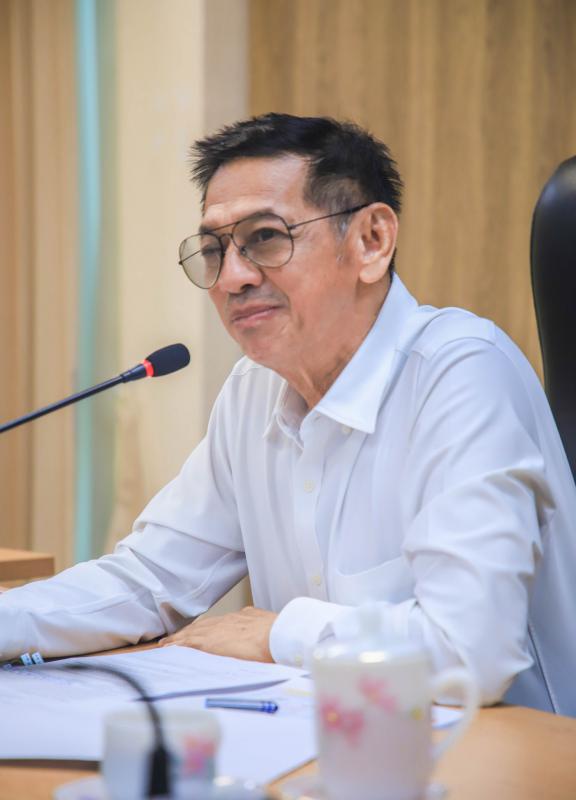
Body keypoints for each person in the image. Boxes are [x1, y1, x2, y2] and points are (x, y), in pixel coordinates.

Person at [1, 113, 575, 715]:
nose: (232, 278)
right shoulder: (253, 390)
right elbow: (148, 581)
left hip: (503, 747)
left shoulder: (461, 372)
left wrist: (278, 634)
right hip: (329, 738)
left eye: (266, 238)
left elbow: (470, 651)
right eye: (214, 250)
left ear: (371, 241)